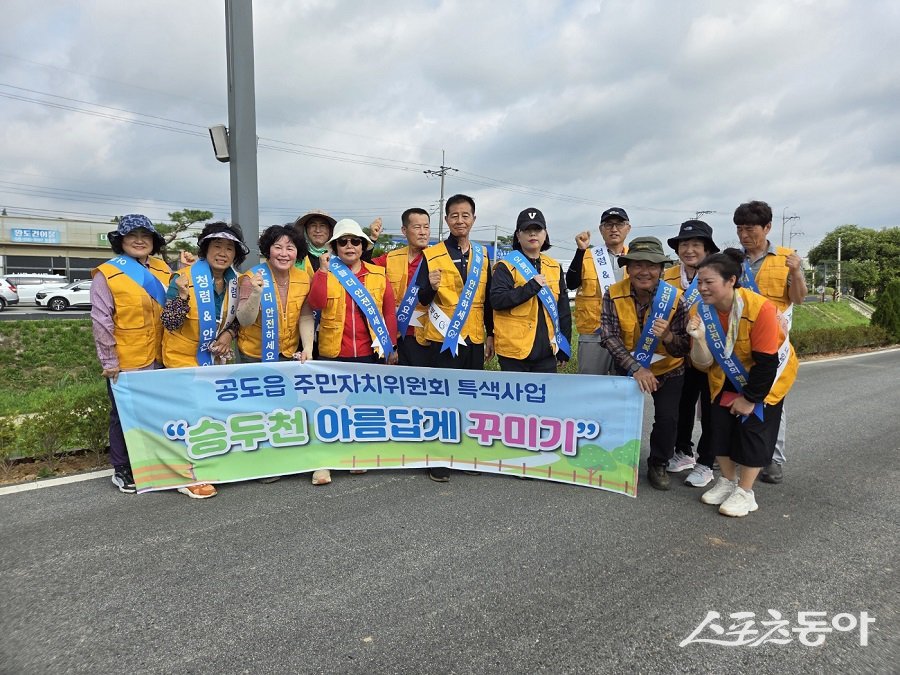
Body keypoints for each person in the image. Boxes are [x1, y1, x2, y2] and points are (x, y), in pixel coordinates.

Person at [687, 249, 799, 517]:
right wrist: (700, 338)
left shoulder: (760, 308)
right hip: (723, 376)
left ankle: (746, 492)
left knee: (753, 431)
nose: (702, 288)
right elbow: (701, 363)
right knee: (718, 428)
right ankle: (727, 481)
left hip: (765, 377)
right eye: (699, 282)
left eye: (709, 282)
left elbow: (767, 363)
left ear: (731, 281)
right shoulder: (698, 310)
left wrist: (749, 399)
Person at [158, 222, 249, 499]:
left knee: (209, 418)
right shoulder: (182, 277)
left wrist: (228, 335)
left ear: (236, 254)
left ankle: (207, 465)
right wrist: (183, 296)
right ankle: (186, 475)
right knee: (188, 417)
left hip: (216, 362)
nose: (222, 253)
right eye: (217, 246)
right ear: (205, 249)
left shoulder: (238, 281)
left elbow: (239, 322)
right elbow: (170, 322)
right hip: (182, 360)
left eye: (229, 248)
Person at [308, 219, 398, 485]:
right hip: (333, 352)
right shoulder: (325, 272)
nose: (350, 246)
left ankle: (355, 455)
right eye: (343, 242)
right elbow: (316, 303)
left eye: (355, 241)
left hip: (369, 352)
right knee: (328, 409)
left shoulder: (378, 275)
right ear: (335, 246)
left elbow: (389, 311)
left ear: (363, 246)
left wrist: (391, 346)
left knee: (360, 408)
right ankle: (322, 462)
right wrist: (323, 273)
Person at [598, 237, 690, 491]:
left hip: (669, 369)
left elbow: (684, 347)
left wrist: (669, 336)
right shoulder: (613, 293)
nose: (644, 271)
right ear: (627, 268)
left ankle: (658, 462)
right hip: (629, 367)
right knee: (620, 416)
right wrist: (636, 368)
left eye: (651, 265)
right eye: (637, 265)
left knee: (668, 419)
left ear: (661, 269)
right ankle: (618, 459)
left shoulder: (676, 299)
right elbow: (608, 336)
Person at [414, 194, 494, 482]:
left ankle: (467, 451)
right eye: (454, 215)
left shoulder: (484, 255)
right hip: (443, 336)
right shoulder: (432, 254)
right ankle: (438, 456)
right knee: (442, 398)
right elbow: (421, 299)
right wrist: (431, 288)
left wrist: (491, 335)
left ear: (473, 219)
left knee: (472, 396)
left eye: (466, 215)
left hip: (473, 336)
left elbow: (486, 300)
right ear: (446, 220)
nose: (460, 220)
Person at [90, 214, 172, 494]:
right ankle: (122, 468)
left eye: (145, 236)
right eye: (132, 236)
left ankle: (153, 462)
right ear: (120, 241)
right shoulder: (107, 274)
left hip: (162, 358)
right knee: (123, 414)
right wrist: (109, 361)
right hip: (127, 360)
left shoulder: (164, 270)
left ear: (154, 241)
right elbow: (101, 319)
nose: (139, 241)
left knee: (156, 412)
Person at [734, 201, 807, 484]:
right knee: (735, 396)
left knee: (773, 400)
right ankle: (732, 454)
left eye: (750, 228)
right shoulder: (732, 259)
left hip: (773, 344)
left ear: (767, 227)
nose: (744, 235)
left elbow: (798, 298)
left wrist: (797, 272)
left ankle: (773, 459)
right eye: (739, 229)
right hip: (737, 342)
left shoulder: (788, 258)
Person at [662, 220, 720, 487]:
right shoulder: (668, 276)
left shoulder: (717, 274)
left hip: (710, 352)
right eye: (684, 244)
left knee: (710, 409)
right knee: (681, 405)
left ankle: (707, 462)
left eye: (696, 244)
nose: (689, 250)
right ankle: (683, 450)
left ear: (707, 249)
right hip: (678, 353)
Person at [491, 207, 571, 372]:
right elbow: (497, 300)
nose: (533, 234)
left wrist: (564, 345)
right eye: (527, 230)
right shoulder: (506, 266)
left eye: (537, 229)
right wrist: (530, 287)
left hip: (547, 352)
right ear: (518, 235)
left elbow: (563, 309)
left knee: (545, 397)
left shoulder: (554, 267)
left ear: (545, 234)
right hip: (514, 352)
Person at [236, 224, 315, 364]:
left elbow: (306, 317)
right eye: (278, 247)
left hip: (289, 354)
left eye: (290, 248)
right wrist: (255, 294)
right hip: (254, 356)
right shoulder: (252, 277)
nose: (284, 254)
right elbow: (244, 320)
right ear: (268, 250)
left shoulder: (304, 279)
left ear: (297, 252)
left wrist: (308, 348)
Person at [566, 207, 631, 376]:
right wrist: (580, 251)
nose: (614, 229)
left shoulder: (636, 257)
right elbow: (571, 283)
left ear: (628, 228)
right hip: (593, 333)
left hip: (627, 333)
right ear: (601, 230)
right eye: (609, 225)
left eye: (619, 224)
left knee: (623, 388)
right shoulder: (588, 255)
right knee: (590, 389)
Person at [371, 208, 432, 366]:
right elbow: (362, 267)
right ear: (404, 230)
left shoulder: (437, 258)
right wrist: (372, 240)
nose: (423, 232)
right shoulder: (391, 257)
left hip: (424, 337)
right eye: (417, 227)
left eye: (426, 227)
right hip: (394, 335)